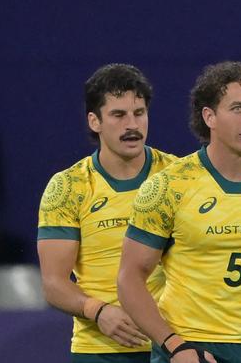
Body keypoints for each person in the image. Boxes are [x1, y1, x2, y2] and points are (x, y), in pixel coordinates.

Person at [117, 61, 241, 363]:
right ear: (209, 116)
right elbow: (129, 278)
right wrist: (175, 346)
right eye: (237, 108)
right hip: (190, 349)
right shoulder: (169, 186)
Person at [37, 63, 177, 362]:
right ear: (94, 121)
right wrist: (97, 311)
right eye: (118, 115)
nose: (132, 125)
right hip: (99, 351)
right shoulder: (68, 187)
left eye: (139, 113)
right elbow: (52, 283)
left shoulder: (178, 177)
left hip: (172, 348)